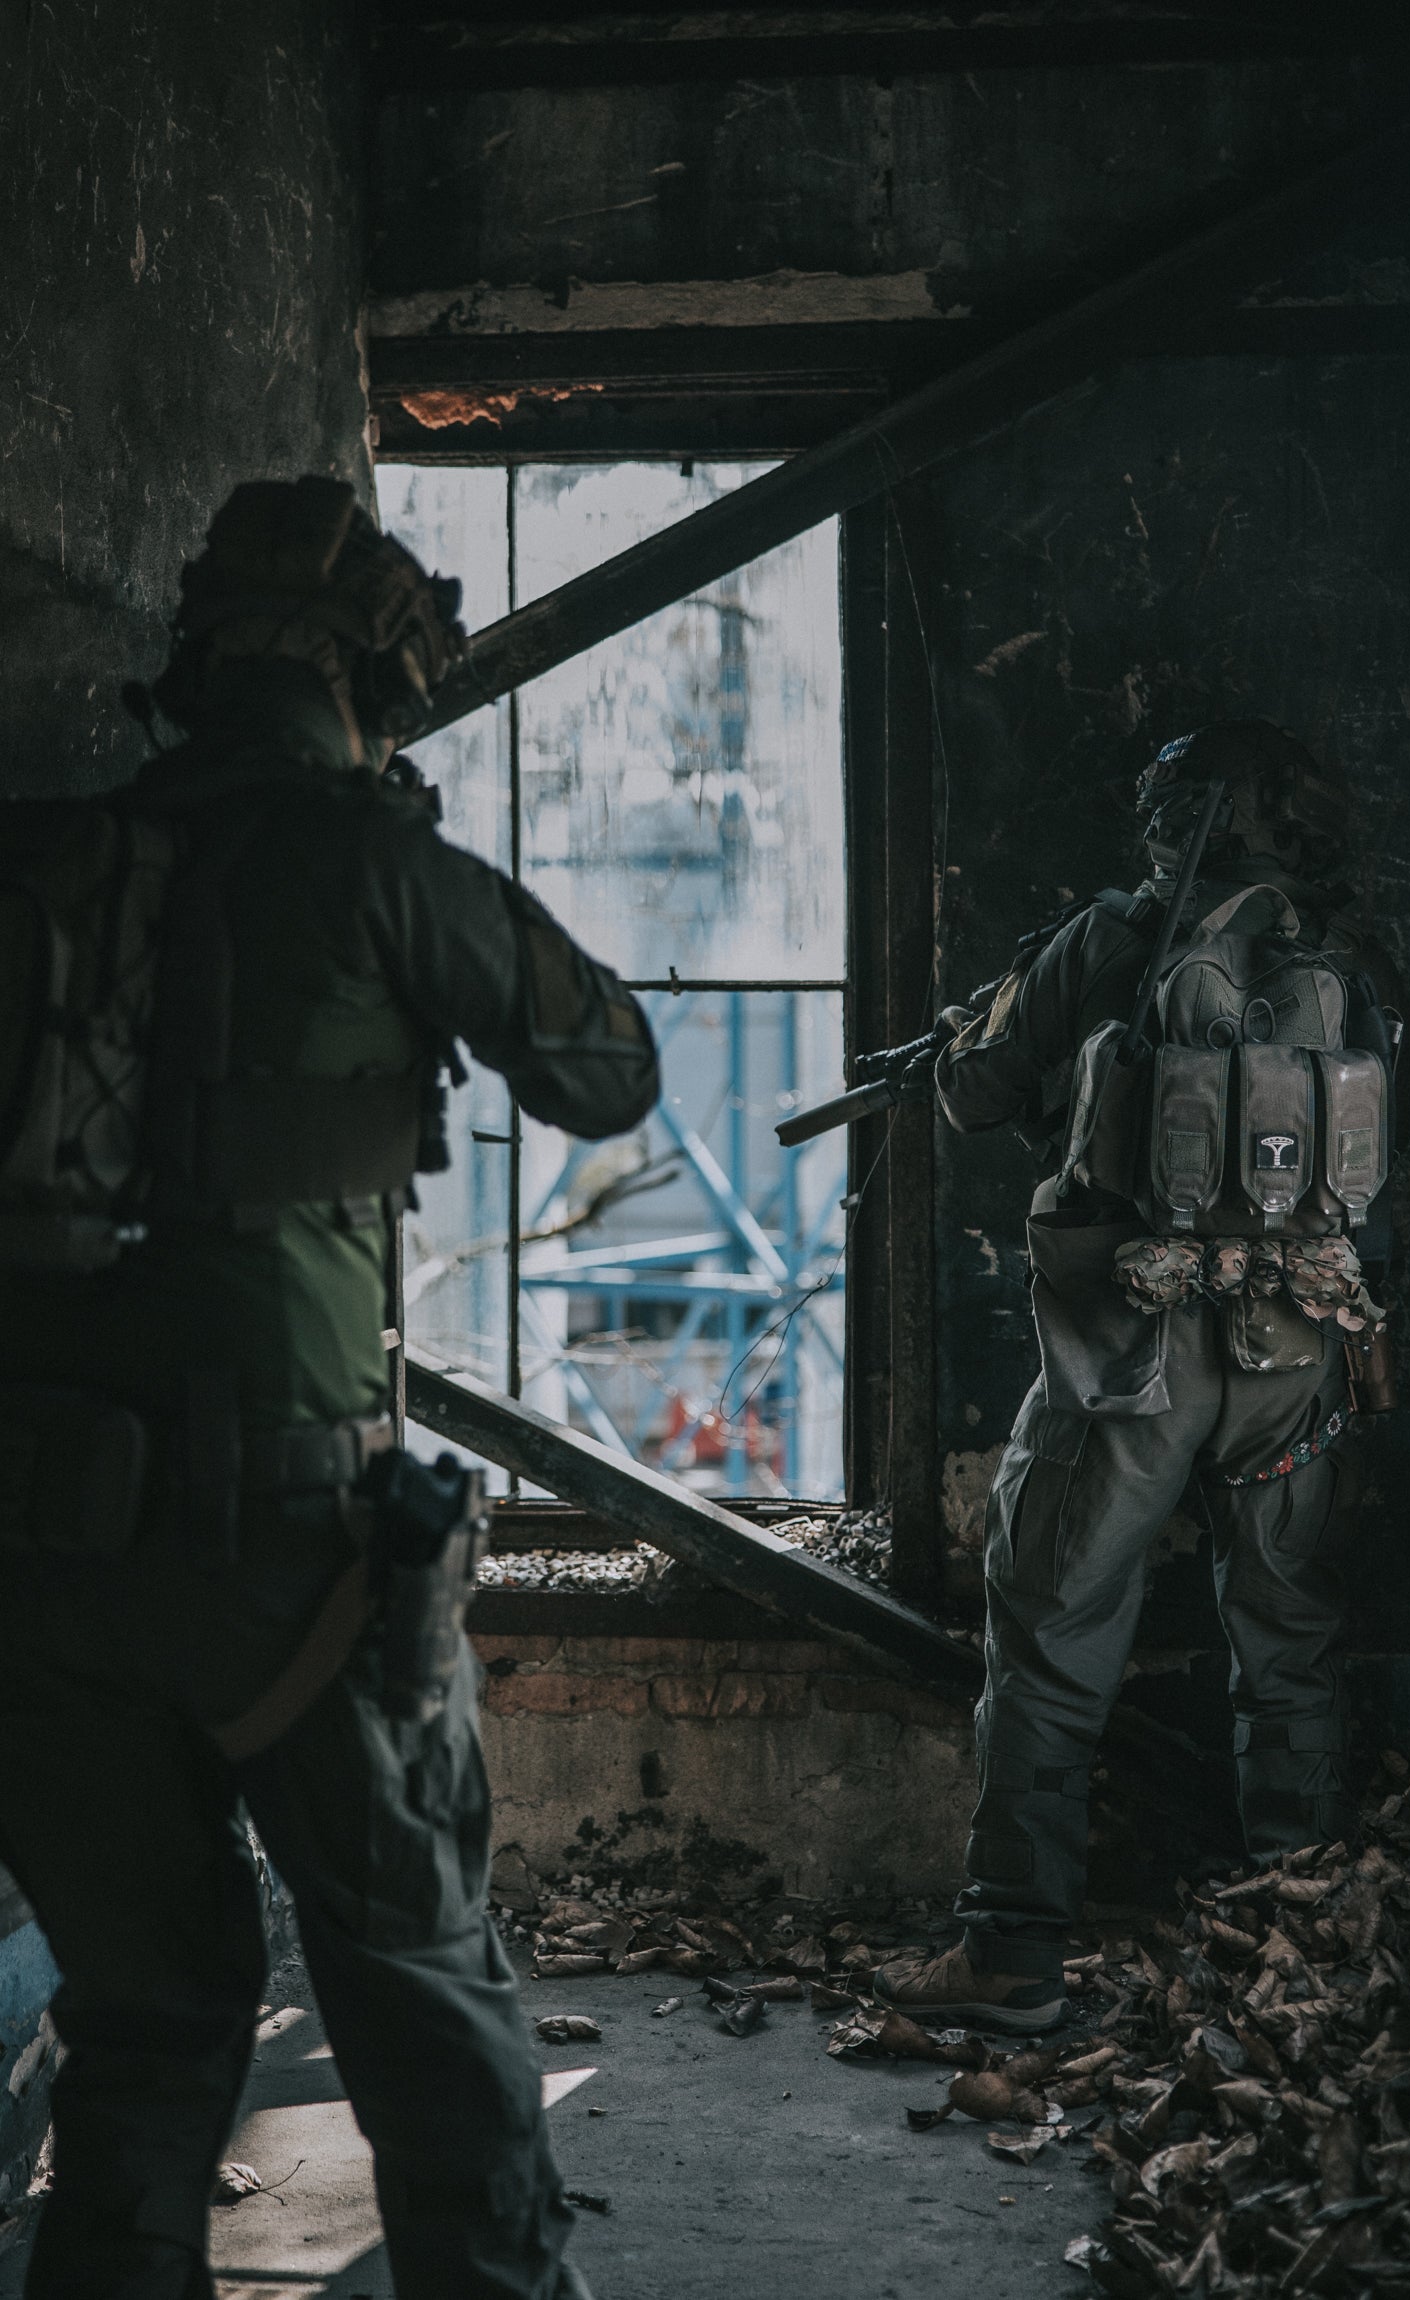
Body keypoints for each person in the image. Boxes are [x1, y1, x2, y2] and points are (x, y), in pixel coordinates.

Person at [0, 478, 657, 2298]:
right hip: (293, 1560)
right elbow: (610, 1075)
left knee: (140, 2026)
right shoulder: (370, 865)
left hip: (39, 1563)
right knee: (421, 2002)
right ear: (374, 672)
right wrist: (409, 894)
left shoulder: (42, 866)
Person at [874, 720, 1405, 2035]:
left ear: (1174, 819)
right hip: (1299, 1351)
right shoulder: (1356, 956)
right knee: (1289, 1650)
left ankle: (1009, 1950)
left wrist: (969, 1037)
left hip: (1130, 1362)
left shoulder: (1118, 938)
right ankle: (1298, 1954)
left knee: (1049, 1636)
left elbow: (975, 1092)